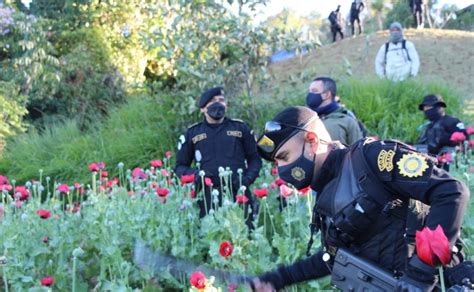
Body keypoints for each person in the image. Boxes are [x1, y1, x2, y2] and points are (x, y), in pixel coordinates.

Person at [250, 106, 469, 291]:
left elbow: (451, 192)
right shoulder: (327, 194)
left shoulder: (373, 159)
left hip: (444, 283)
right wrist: (278, 279)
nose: (281, 169)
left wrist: (420, 273)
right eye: (276, 163)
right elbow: (335, 258)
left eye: (284, 157)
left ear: (312, 140)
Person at [174, 87, 262, 226]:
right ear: (203, 108)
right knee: (212, 238)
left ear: (226, 105)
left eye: (221, 100)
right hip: (208, 196)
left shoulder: (240, 128)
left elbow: (255, 159)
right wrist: (197, 176)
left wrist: (246, 179)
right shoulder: (192, 133)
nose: (218, 104)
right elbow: (180, 166)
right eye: (212, 101)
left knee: (244, 235)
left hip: (239, 193)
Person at [306, 77, 363, 145]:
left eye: (314, 91)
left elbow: (358, 151)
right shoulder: (306, 119)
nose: (310, 94)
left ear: (327, 94)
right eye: (309, 91)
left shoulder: (346, 120)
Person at [417, 94, 466, 170]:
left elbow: (464, 141)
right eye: (425, 108)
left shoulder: (453, 121)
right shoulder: (429, 126)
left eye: (429, 107)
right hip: (432, 163)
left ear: (439, 107)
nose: (426, 110)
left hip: (450, 164)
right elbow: (423, 145)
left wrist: (445, 139)